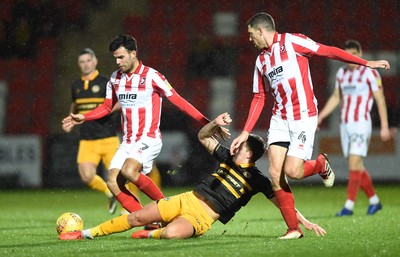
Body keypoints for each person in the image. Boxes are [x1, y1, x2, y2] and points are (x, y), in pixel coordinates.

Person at [230, 12, 390, 239]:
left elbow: (328, 50)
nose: (249, 39)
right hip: (280, 118)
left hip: (303, 115)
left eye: (250, 34)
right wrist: (245, 132)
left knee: (292, 171)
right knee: (275, 174)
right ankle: (293, 229)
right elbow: (259, 97)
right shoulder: (261, 61)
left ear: (260, 30)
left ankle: (320, 164)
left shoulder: (292, 42)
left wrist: (365, 63)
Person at [59, 113, 326, 241]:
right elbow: (203, 136)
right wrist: (215, 123)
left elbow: (282, 201)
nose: (234, 146)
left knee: (172, 235)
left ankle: (153, 234)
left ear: (249, 153)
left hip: (201, 218)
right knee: (136, 217)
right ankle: (85, 233)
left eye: (240, 146)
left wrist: (302, 221)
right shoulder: (225, 156)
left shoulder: (258, 180)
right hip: (187, 199)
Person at [62, 34, 225, 215]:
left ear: (133, 54)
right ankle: (146, 219)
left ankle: (169, 209)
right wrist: (84, 117)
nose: (117, 62)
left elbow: (179, 101)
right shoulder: (115, 78)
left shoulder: (152, 76)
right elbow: (107, 107)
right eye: (115, 57)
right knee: (113, 183)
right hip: (127, 142)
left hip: (149, 138)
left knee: (129, 171)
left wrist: (208, 124)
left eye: (121, 57)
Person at [318, 39, 390, 216]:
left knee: (353, 163)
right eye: (348, 55)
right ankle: (374, 201)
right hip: (346, 125)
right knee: (358, 165)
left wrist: (385, 126)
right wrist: (321, 116)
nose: (351, 59)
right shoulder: (342, 73)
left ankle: (348, 206)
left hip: (360, 123)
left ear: (361, 54)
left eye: (354, 55)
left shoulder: (370, 74)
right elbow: (336, 97)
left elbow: (380, 99)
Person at [62, 48, 120, 214]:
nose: (85, 64)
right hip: (87, 139)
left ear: (95, 62)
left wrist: (104, 111)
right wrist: (71, 120)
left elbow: (120, 103)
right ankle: (109, 192)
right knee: (87, 177)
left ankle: (127, 211)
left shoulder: (106, 82)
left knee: (120, 177)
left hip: (108, 137)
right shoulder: (76, 85)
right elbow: (75, 105)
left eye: (88, 61)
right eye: (82, 62)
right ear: (79, 65)